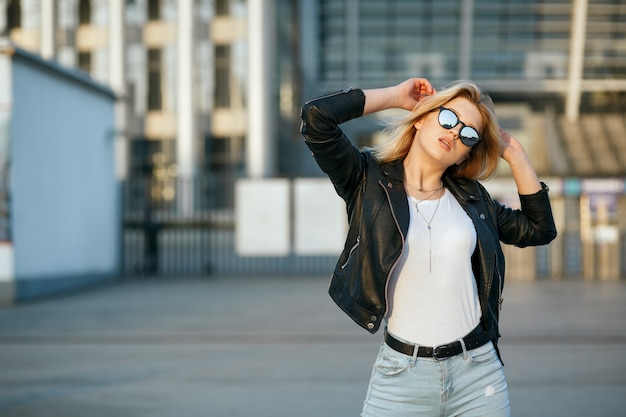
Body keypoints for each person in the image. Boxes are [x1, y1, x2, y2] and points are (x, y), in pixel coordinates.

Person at [299, 78, 557, 417]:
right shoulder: (367, 180)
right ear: (422, 117)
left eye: (468, 134)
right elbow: (315, 118)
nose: (454, 133)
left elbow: (539, 229)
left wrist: (516, 153)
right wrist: (394, 96)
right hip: (400, 376)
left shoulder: (473, 199)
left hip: (477, 374)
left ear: (468, 150)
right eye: (448, 118)